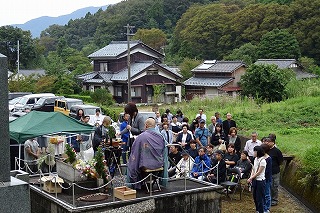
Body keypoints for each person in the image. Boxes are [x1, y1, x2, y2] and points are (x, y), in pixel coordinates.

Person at [127, 118, 168, 189]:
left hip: (146, 164)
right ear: (154, 126)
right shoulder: (161, 136)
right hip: (159, 163)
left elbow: (134, 152)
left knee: (132, 162)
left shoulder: (141, 137)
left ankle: (135, 183)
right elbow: (165, 151)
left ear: (146, 126)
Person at [247, 146, 266, 213]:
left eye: (255, 151)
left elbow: (259, 172)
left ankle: (261, 211)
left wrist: (251, 178)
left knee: (259, 198)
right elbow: (253, 169)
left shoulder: (263, 161)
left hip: (260, 181)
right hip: (255, 180)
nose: (254, 152)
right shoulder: (255, 159)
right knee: (254, 196)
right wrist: (251, 177)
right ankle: (257, 210)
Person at [268, 133, 283, 206]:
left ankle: (274, 200)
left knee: (274, 186)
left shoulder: (277, 151)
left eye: (269, 142)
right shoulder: (266, 150)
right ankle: (269, 198)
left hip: (275, 171)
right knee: (269, 186)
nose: (267, 143)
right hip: (268, 171)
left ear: (273, 142)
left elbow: (280, 161)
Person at [262, 141, 273, 213]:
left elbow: (268, 171)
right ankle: (263, 207)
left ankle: (267, 208)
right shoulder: (260, 157)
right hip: (261, 178)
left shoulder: (268, 159)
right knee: (262, 194)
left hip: (266, 178)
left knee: (267, 194)